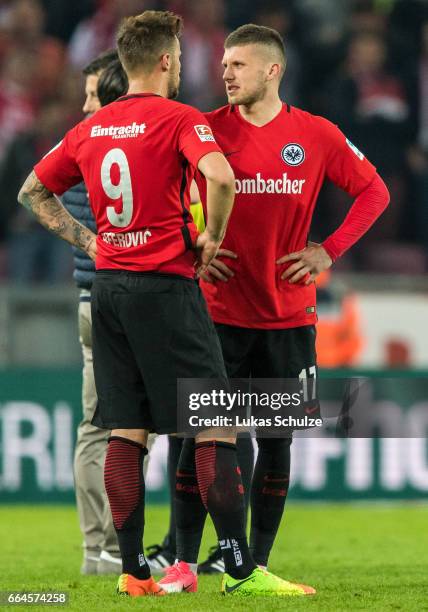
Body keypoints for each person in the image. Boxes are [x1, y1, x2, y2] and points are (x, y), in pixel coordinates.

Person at [17, 10, 310, 598]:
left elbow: (32, 192)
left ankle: (130, 572)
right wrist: (212, 240)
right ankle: (241, 570)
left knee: (126, 431)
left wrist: (89, 239)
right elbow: (221, 179)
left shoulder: (91, 129)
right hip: (167, 289)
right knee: (216, 427)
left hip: (108, 291)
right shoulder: (179, 118)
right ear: (167, 62)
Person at [160, 22, 389, 588]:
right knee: (199, 437)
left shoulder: (315, 134)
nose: (225, 73)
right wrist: (193, 247)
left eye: (238, 64)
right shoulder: (205, 131)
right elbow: (162, 193)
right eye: (224, 63)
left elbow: (374, 192)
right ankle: (184, 563)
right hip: (215, 315)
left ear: (272, 70)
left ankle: (256, 565)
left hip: (289, 318)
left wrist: (327, 250)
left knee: (275, 443)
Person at [61, 48, 127, 577]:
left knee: (102, 427)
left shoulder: (87, 143)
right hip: (111, 299)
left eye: (95, 95)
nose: (87, 107)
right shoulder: (103, 143)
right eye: (86, 96)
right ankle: (105, 548)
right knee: (108, 427)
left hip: (97, 298)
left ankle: (104, 550)